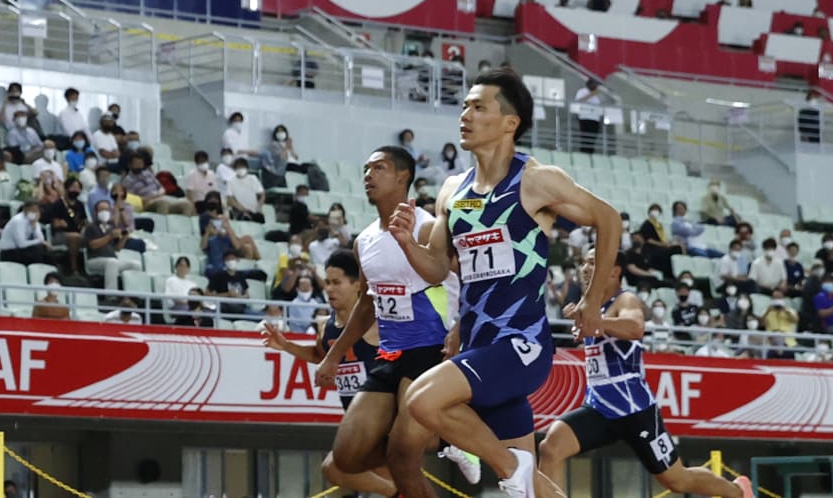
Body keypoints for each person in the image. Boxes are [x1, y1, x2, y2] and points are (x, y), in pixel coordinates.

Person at [383, 68, 622, 496]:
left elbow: (608, 218)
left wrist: (590, 302)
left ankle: (511, 467)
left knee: (420, 400)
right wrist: (405, 244)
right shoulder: (452, 191)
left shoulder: (535, 181)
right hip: (477, 345)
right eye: (464, 107)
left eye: (478, 107)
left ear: (510, 123)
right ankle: (519, 471)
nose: (465, 114)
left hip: (520, 347)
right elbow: (437, 268)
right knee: (535, 489)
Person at [314, 146, 467, 497]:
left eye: (378, 168)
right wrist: (333, 356)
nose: (368, 175)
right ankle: (445, 436)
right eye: (366, 168)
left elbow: (472, 281)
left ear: (403, 176)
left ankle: (451, 435)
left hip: (432, 351)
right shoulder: (364, 241)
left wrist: (461, 329)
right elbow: (367, 304)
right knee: (345, 458)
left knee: (402, 456)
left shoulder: (430, 228)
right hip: (391, 354)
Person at [538, 249, 753, 497]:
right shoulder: (591, 306)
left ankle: (738, 491)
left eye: (592, 263)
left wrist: (595, 321)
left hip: (635, 410)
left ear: (614, 271)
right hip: (600, 407)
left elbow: (635, 328)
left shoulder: (625, 299)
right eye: (584, 263)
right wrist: (585, 322)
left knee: (677, 480)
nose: (585, 269)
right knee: (550, 449)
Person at [261, 249, 398, 496]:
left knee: (334, 468)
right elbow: (320, 356)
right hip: (354, 418)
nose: (329, 289)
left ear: (358, 285)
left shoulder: (376, 320)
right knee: (342, 470)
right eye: (327, 282)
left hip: (381, 419)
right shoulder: (325, 324)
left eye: (337, 283)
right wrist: (285, 346)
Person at [84, 199, 142, 291]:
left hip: (112, 259)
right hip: (94, 260)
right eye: (101, 210)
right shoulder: (91, 227)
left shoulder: (111, 227)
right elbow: (93, 245)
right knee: (112, 262)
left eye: (107, 210)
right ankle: (111, 294)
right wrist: (110, 236)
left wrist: (124, 237)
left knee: (135, 265)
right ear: (96, 212)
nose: (105, 212)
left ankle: (133, 295)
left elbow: (117, 248)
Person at [200, 191, 262, 276]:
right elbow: (203, 245)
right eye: (211, 203)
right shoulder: (206, 222)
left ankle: (259, 263)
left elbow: (236, 245)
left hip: (228, 251)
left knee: (248, 246)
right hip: (218, 263)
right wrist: (210, 230)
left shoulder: (225, 226)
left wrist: (227, 227)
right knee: (247, 243)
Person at [122, 153, 194, 215]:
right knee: (163, 203)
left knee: (186, 204)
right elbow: (133, 200)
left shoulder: (148, 173)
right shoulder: (127, 181)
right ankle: (162, 230)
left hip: (161, 197)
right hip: (147, 204)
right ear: (130, 165)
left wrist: (159, 194)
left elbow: (161, 188)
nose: (139, 166)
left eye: (140, 163)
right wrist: (154, 197)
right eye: (136, 164)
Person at [50, 177, 88, 273]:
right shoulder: (58, 204)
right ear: (67, 188)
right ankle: (73, 268)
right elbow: (54, 223)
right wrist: (60, 223)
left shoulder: (80, 205)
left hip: (78, 234)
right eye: (73, 187)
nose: (76, 190)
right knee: (75, 237)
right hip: (60, 235)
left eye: (78, 188)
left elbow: (84, 221)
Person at [226, 157, 266, 222]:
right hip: (240, 211)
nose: (240, 169)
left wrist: (259, 206)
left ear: (247, 168)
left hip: (254, 210)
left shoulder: (253, 178)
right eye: (238, 168)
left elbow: (262, 194)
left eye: (242, 167)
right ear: (235, 169)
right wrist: (242, 209)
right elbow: (230, 200)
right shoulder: (231, 182)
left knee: (260, 218)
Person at [574, 79, 603, 153]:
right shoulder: (582, 91)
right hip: (585, 118)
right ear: (589, 84)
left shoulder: (597, 95)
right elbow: (578, 101)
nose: (596, 86)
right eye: (595, 84)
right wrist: (591, 94)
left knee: (592, 138)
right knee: (585, 138)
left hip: (595, 120)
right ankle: (584, 154)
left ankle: (590, 153)